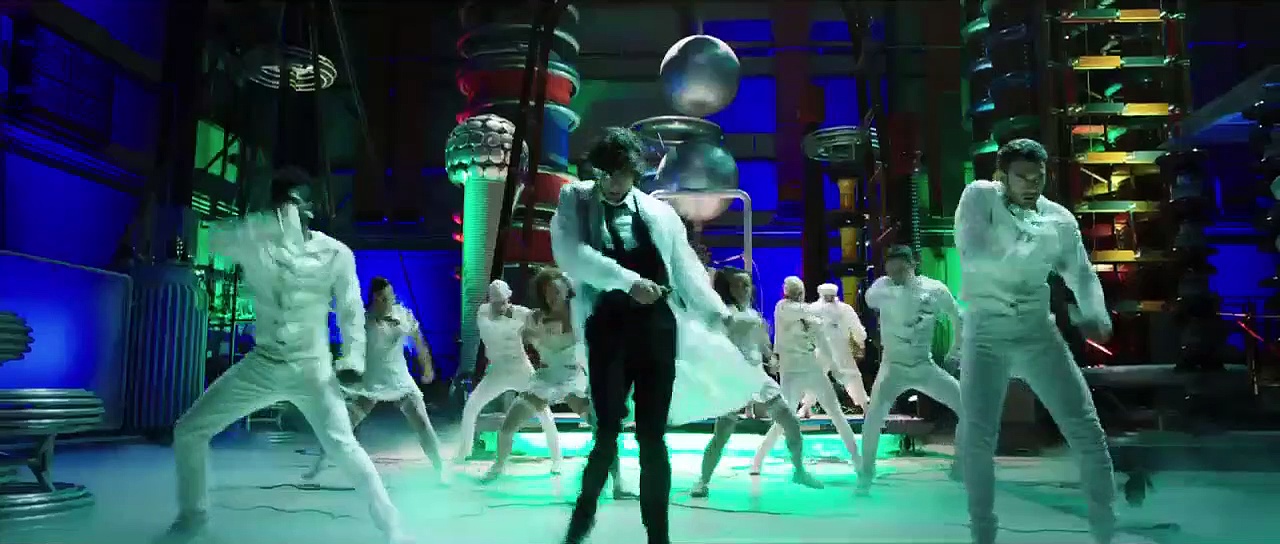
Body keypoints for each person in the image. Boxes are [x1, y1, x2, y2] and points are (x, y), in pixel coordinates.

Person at [166, 168, 410, 544]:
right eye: (279, 204)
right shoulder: (258, 239)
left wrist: (352, 361)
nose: (286, 212)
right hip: (263, 364)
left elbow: (349, 311)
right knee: (189, 431)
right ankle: (192, 516)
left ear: (309, 209)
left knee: (343, 446)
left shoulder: (335, 254)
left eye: (293, 203)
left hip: (312, 369)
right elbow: (214, 238)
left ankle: (392, 527)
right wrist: (258, 227)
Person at [551, 127, 760, 544]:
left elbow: (687, 272)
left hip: (656, 329)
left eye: (622, 174)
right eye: (606, 173)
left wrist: (721, 316)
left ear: (636, 173)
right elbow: (571, 254)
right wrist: (628, 281)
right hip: (609, 327)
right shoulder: (575, 198)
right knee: (606, 433)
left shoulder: (659, 213)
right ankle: (580, 525)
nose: (613, 182)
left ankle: (658, 537)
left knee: (652, 437)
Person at [955, 138, 1114, 544]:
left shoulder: (1058, 219)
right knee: (978, 433)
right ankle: (982, 530)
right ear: (1002, 176)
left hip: (1036, 329)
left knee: (1085, 425)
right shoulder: (979, 197)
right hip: (986, 329)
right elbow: (975, 256)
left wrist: (1096, 312)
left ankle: (1105, 526)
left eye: (1038, 177)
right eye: (1022, 177)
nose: (1031, 184)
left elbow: (1081, 272)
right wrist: (1029, 240)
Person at [477, 268, 635, 500]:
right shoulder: (534, 318)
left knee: (602, 428)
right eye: (547, 292)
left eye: (556, 291)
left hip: (573, 377)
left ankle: (618, 483)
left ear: (567, 291)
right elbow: (504, 311)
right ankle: (497, 467)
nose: (552, 297)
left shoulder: (581, 316)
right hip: (546, 378)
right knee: (509, 424)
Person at [688, 267, 824, 498]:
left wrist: (771, 358)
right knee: (722, 434)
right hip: (734, 377)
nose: (744, 289)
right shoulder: (723, 313)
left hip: (757, 375)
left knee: (790, 421)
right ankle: (702, 480)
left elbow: (763, 346)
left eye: (746, 285)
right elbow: (713, 336)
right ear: (729, 289)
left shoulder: (754, 315)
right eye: (738, 285)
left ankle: (799, 470)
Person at [302, 277, 446, 482]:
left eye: (391, 297)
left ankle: (441, 469)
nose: (390, 301)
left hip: (400, 382)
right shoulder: (363, 319)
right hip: (370, 384)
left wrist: (428, 368)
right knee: (342, 427)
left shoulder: (402, 315)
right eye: (385, 298)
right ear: (376, 299)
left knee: (423, 425)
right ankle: (319, 464)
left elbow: (419, 342)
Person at [857, 245, 964, 495]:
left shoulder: (934, 289)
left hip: (923, 366)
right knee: (873, 418)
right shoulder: (882, 288)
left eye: (900, 270)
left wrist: (955, 349)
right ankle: (866, 476)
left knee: (966, 406)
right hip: (892, 369)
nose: (895, 275)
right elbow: (870, 298)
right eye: (891, 270)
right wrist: (893, 291)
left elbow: (956, 314)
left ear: (912, 265)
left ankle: (962, 464)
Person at [750, 277, 862, 475]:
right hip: (793, 373)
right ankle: (757, 461)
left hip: (810, 369)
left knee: (836, 414)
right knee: (785, 420)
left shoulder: (810, 316)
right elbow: (804, 316)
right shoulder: (785, 308)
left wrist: (836, 368)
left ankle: (858, 460)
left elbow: (824, 346)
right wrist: (819, 316)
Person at [456, 279, 562, 470]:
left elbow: (538, 327)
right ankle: (464, 452)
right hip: (497, 372)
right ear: (490, 301)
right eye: (496, 303)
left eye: (503, 302)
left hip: (521, 369)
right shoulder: (483, 313)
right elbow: (494, 325)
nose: (500, 306)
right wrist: (516, 317)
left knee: (544, 412)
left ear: (509, 298)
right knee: (471, 407)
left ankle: (557, 460)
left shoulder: (522, 313)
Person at [794, 282, 870, 418]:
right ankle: (806, 407)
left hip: (837, 348)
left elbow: (856, 327)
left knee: (850, 376)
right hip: (822, 348)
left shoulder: (841, 309)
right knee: (816, 377)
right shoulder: (814, 309)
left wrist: (860, 342)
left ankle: (865, 406)